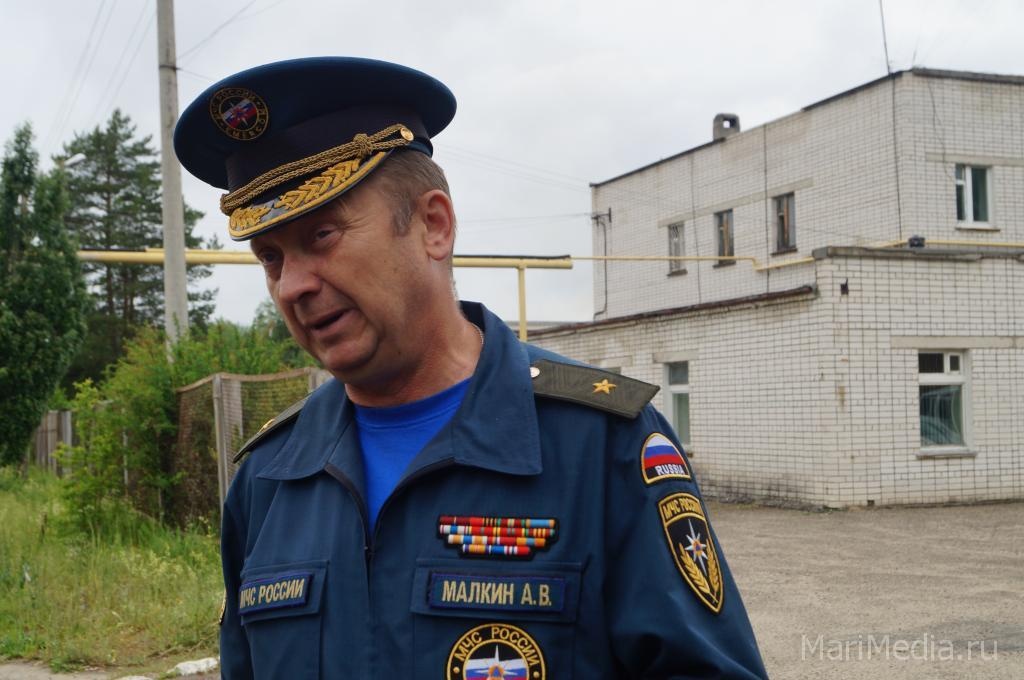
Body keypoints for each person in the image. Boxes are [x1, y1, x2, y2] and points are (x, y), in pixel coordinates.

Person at [174, 57, 768, 679]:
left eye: (322, 235)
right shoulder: (267, 478)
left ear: (433, 226)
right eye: (271, 258)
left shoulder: (602, 444)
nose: (293, 284)